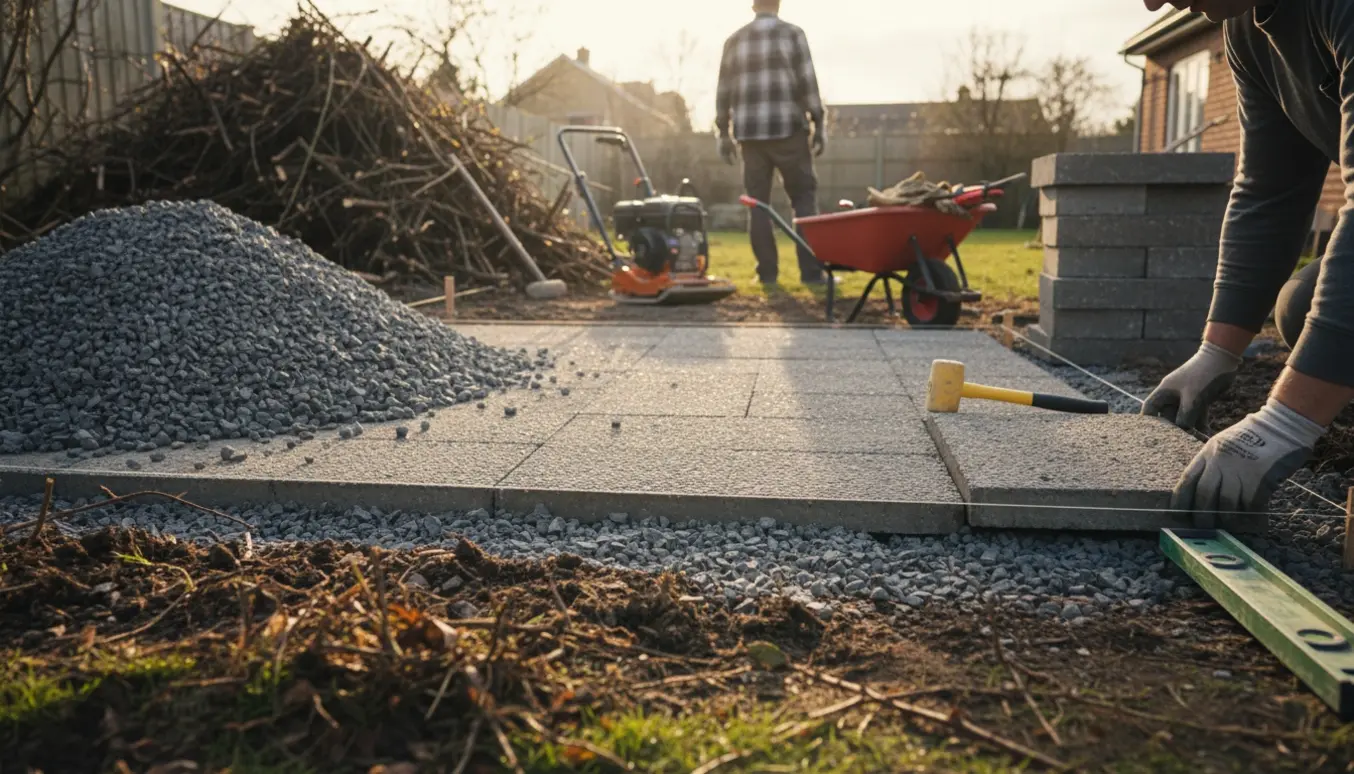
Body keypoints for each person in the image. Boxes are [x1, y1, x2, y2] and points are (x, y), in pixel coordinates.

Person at [1138, 0, 1354, 522]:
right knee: (1301, 308)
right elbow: (1269, 192)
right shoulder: (1247, 29)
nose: (1151, 3)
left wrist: (1285, 423)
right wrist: (1217, 353)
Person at [714, 0, 830, 286]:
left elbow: (723, 91)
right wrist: (819, 124)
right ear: (777, 5)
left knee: (758, 205)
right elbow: (808, 84)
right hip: (789, 131)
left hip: (750, 136)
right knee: (804, 199)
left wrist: (723, 134)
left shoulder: (735, 40)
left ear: (753, 6)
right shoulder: (793, 35)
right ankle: (811, 274)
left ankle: (766, 275)